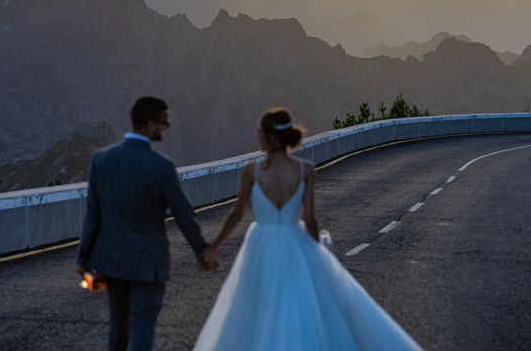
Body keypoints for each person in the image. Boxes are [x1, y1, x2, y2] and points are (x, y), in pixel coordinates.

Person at [195, 107, 423, 350]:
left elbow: (236, 213)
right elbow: (310, 219)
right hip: (295, 240)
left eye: (259, 132)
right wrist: (316, 253)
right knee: (296, 304)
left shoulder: (253, 171)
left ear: (269, 136)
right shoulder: (305, 169)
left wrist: (213, 248)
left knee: (258, 308)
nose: (257, 136)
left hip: (261, 244)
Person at [77, 96, 218, 351]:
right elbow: (184, 215)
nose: (166, 128)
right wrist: (202, 250)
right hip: (148, 264)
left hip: (112, 262)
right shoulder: (161, 167)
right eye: (164, 123)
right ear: (151, 124)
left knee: (118, 330)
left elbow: (93, 216)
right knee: (142, 328)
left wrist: (83, 258)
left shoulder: (101, 160)